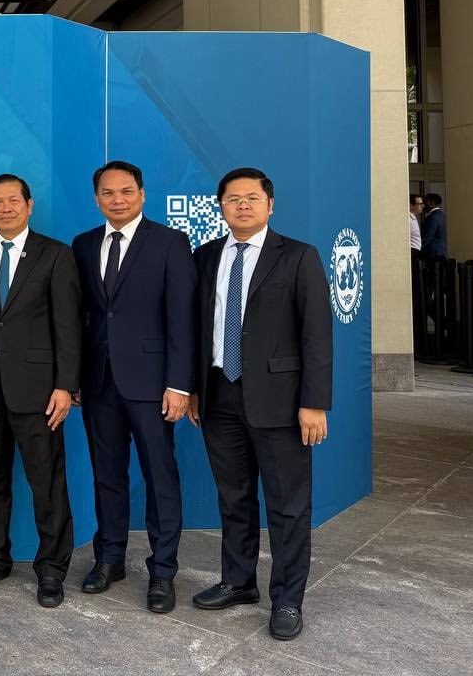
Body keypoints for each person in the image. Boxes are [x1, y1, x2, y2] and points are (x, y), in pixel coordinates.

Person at [188, 168, 332, 642]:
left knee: (288, 505)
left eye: (252, 197)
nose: (243, 205)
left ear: (270, 205)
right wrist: (193, 388)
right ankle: (238, 581)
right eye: (233, 199)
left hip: (282, 402)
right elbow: (197, 330)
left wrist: (314, 402)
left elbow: (316, 334)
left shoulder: (298, 256)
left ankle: (287, 599)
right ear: (221, 206)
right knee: (234, 498)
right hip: (218, 394)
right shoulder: (205, 256)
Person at [0, 173, 82, 608]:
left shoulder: (55, 254)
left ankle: (52, 569)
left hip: (39, 392)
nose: (6, 208)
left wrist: (65, 386)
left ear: (29, 205)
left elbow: (68, 326)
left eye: (13, 200)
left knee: (47, 484)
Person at [71, 161, 196, 614]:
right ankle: (110, 558)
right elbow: (80, 317)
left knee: (160, 478)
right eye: (108, 193)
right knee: (107, 475)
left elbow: (182, 318)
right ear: (96, 198)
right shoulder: (83, 244)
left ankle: (163, 570)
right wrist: (74, 377)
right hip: (98, 383)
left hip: (153, 383)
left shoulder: (170, 242)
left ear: (142, 194)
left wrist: (179, 384)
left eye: (126, 191)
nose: (117, 199)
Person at [421, 193, 446, 259]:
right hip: (441, 252)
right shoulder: (442, 215)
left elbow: (427, 237)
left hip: (432, 254)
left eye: (424, 201)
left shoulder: (432, 217)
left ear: (431, 202)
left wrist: (417, 250)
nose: (423, 205)